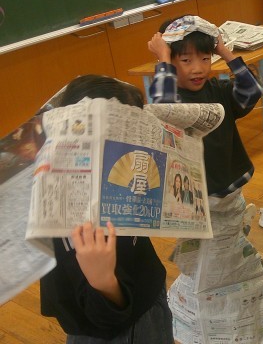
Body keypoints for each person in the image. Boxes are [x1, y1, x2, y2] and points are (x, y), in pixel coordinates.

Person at [39, 75, 173, 343]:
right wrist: (103, 280)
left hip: (147, 293)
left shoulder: (119, 181)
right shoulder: (69, 214)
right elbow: (103, 318)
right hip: (120, 327)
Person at [147, 14, 263, 197]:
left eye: (205, 59)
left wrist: (223, 51)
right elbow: (164, 111)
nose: (198, 69)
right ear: (170, 61)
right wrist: (163, 57)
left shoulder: (218, 90)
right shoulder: (172, 99)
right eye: (186, 60)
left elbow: (253, 90)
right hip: (196, 196)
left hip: (232, 190)